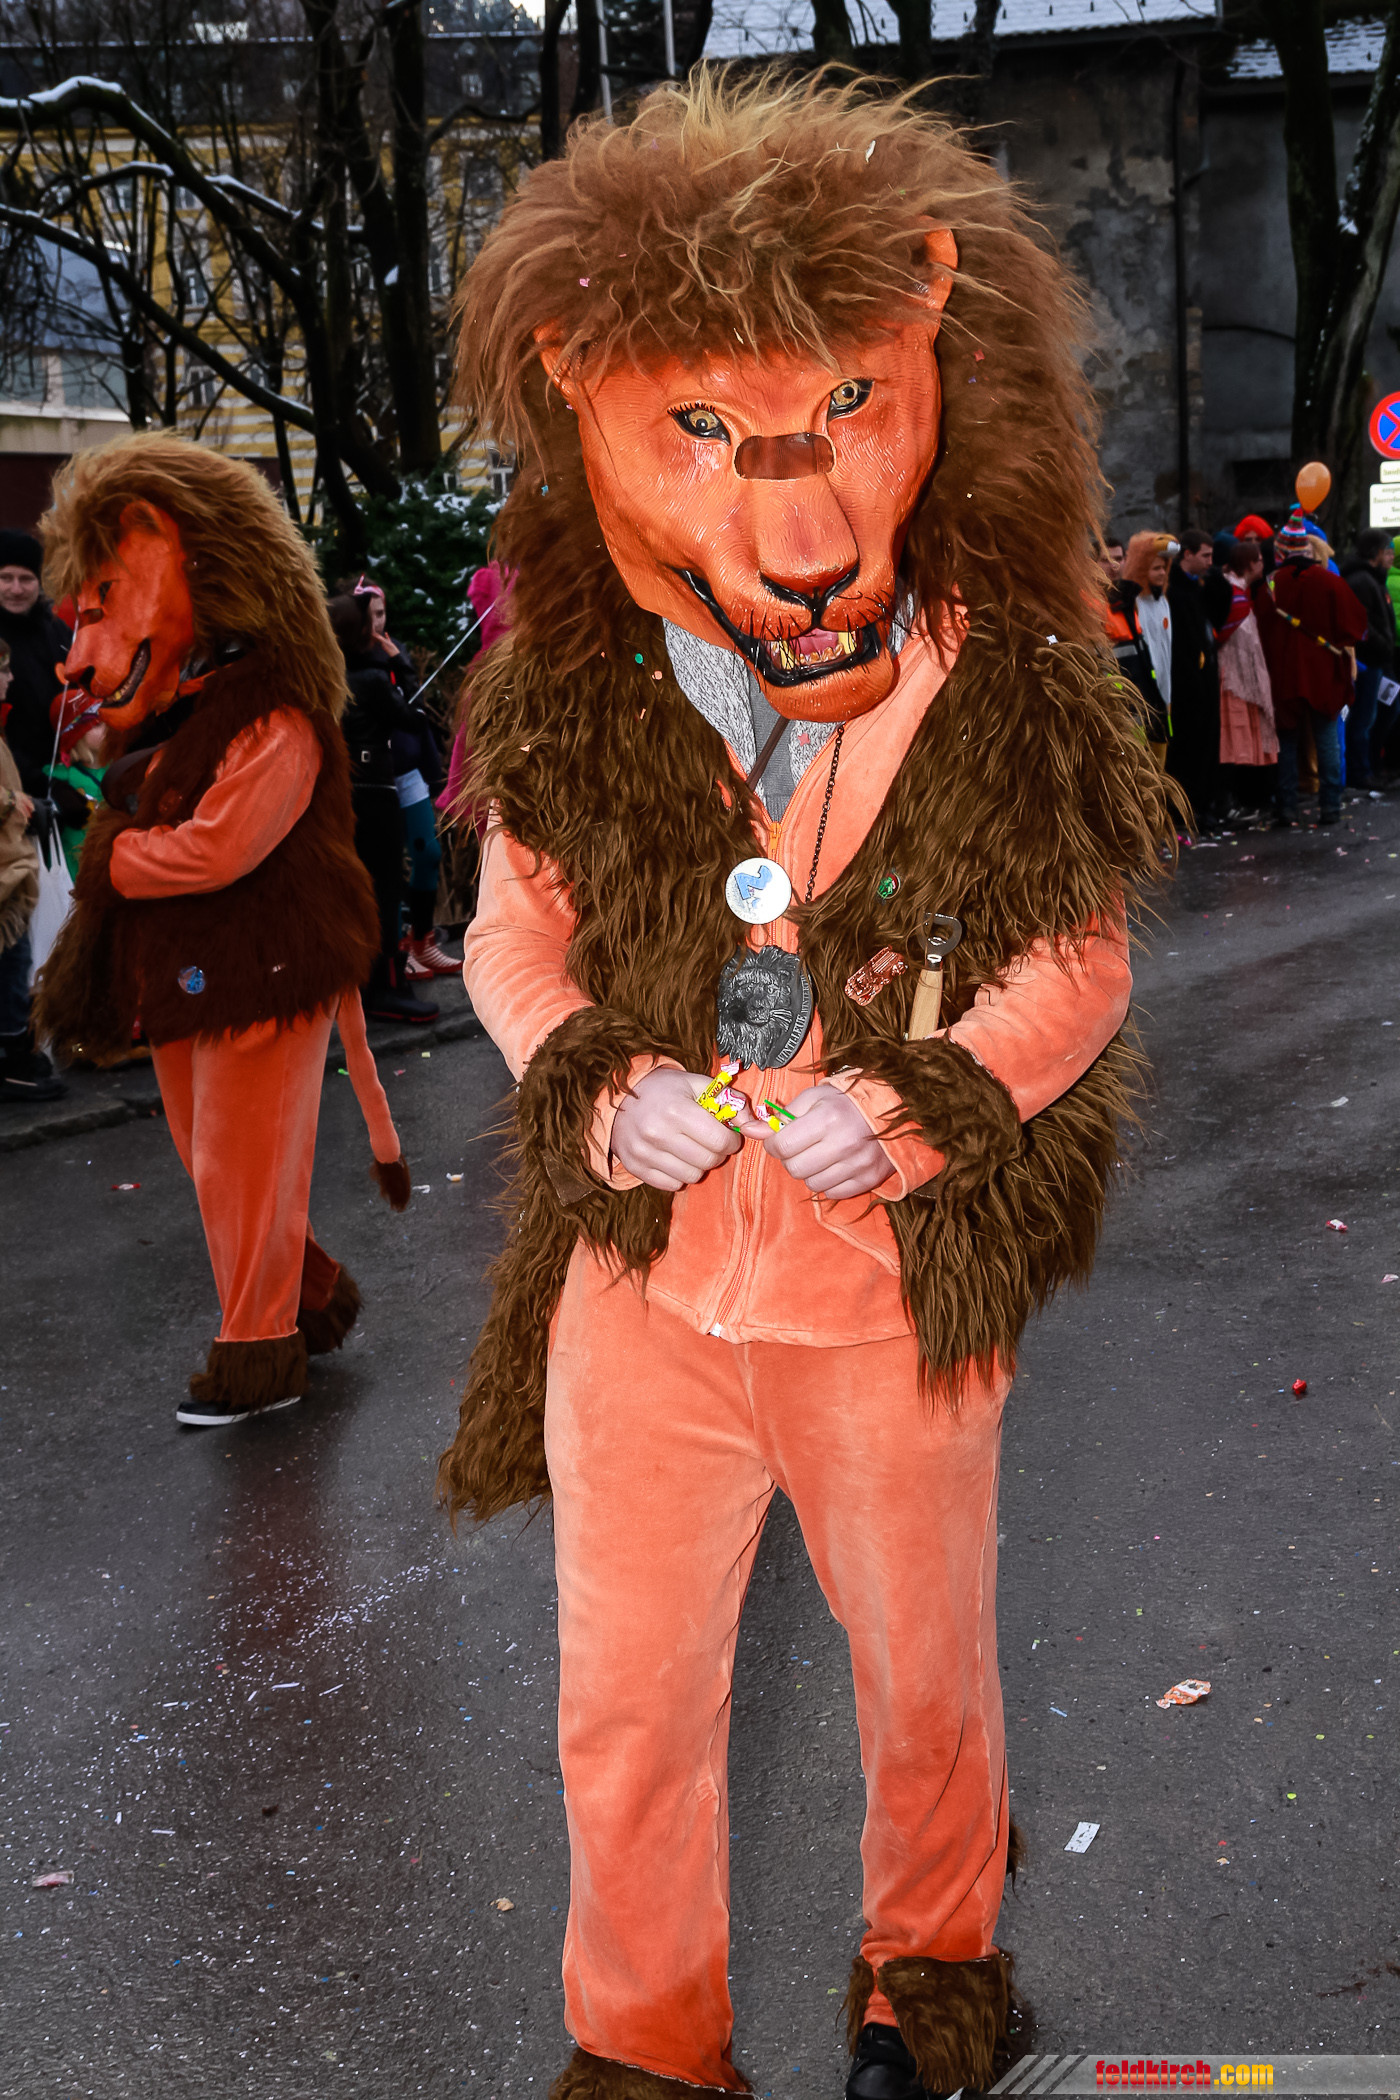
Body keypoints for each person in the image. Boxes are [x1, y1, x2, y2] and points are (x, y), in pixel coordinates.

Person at [438, 73, 1171, 2100]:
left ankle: (932, 1980)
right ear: (580, 390)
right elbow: (510, 939)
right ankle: (641, 2044)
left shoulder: (1010, 680)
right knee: (622, 1711)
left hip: (882, 1298)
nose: (804, 524)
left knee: (922, 1686)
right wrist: (587, 1082)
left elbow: (1078, 961)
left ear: (931, 346)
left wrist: (924, 1103)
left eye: (847, 406)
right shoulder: (569, 692)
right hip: (643, 1296)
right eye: (698, 427)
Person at [36, 436, 411, 1424]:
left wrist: (114, 858)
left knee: (240, 1170)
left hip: (267, 973)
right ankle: (308, 1297)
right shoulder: (189, 715)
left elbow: (218, 850)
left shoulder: (277, 721)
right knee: (216, 1167)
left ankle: (258, 1356)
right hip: (190, 977)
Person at [328, 592, 439, 1026]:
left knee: (357, 890)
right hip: (376, 792)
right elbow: (414, 716)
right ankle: (388, 988)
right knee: (385, 889)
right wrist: (402, 666)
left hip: (342, 793)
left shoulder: (326, 677)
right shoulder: (373, 679)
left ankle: (360, 986)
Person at [348, 577, 460, 980]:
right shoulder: (350, 660)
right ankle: (393, 950)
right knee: (386, 867)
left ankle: (422, 939)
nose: (378, 622)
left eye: (382, 613)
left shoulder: (394, 652)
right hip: (371, 775)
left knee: (427, 852)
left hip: (407, 770)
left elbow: (414, 709)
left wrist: (402, 664)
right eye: (371, 615)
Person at [1255, 519, 1368, 826]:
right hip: (1323, 673)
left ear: (1281, 552)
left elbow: (1260, 629)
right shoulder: (1330, 582)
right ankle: (1330, 805)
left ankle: (1287, 806)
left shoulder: (1271, 586)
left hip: (1283, 673)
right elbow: (1355, 626)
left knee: (1287, 742)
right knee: (1327, 739)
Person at [0, 640, 65, 1104]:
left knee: (15, 960)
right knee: (11, 962)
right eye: (2, 671)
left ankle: (17, 1051)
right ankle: (11, 1060)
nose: (9, 678)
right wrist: (16, 802)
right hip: (5, 873)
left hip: (10, 867)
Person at [1166, 528, 1225, 828]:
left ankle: (1204, 802)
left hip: (1205, 677)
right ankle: (1188, 808)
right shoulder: (1176, 592)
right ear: (1187, 554)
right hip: (1188, 682)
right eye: (1205, 555)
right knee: (1189, 748)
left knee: (1206, 745)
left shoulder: (1197, 587)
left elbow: (1218, 616)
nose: (1210, 562)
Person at [1214, 537, 1279, 787]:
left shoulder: (1243, 592)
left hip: (1244, 677)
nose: (1263, 564)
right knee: (1233, 735)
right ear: (1249, 564)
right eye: (1259, 560)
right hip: (1232, 678)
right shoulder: (1232, 595)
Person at [1340, 529, 1396, 788]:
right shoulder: (1362, 581)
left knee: (1382, 712)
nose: (1391, 557)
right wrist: (1383, 643)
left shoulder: (1374, 578)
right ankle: (1361, 772)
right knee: (1365, 718)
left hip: (1378, 660)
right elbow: (1362, 623)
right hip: (1368, 661)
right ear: (1375, 553)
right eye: (1387, 552)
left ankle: (1371, 766)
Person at [1109, 532, 1171, 755]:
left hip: (1150, 701)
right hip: (1122, 708)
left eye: (1119, 558)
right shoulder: (1099, 606)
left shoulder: (1130, 601)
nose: (1114, 565)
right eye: (1106, 559)